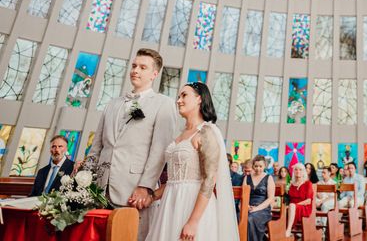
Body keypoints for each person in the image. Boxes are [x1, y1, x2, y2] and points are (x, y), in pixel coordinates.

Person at [84, 48, 177, 241]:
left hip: (134, 190)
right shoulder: (112, 104)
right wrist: (87, 178)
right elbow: (98, 146)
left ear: (154, 74)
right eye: (134, 66)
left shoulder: (163, 104)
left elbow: (160, 150)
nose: (135, 70)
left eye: (143, 67)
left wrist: (146, 186)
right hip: (100, 189)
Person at [146, 82, 239, 241]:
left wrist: (193, 222)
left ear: (199, 99)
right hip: (170, 203)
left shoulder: (207, 132)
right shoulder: (181, 135)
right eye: (178, 96)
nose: (178, 100)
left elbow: (210, 180)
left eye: (184, 95)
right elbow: (173, 180)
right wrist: (151, 196)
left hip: (192, 205)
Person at [245, 155, 275, 241]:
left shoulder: (268, 178)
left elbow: (270, 198)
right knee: (238, 216)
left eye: (260, 166)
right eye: (256, 166)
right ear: (253, 166)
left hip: (263, 209)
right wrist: (246, 206)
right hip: (248, 206)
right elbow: (243, 196)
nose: (258, 168)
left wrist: (256, 209)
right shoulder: (247, 177)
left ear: (264, 166)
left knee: (250, 218)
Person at [285, 163, 314, 238]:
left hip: (305, 207)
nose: (298, 171)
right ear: (293, 172)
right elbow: (289, 199)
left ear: (304, 172)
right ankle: (277, 231)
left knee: (291, 206)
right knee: (284, 208)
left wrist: (294, 205)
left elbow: (308, 201)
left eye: (300, 170)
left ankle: (288, 230)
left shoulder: (308, 184)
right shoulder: (291, 184)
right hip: (292, 207)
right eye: (296, 169)